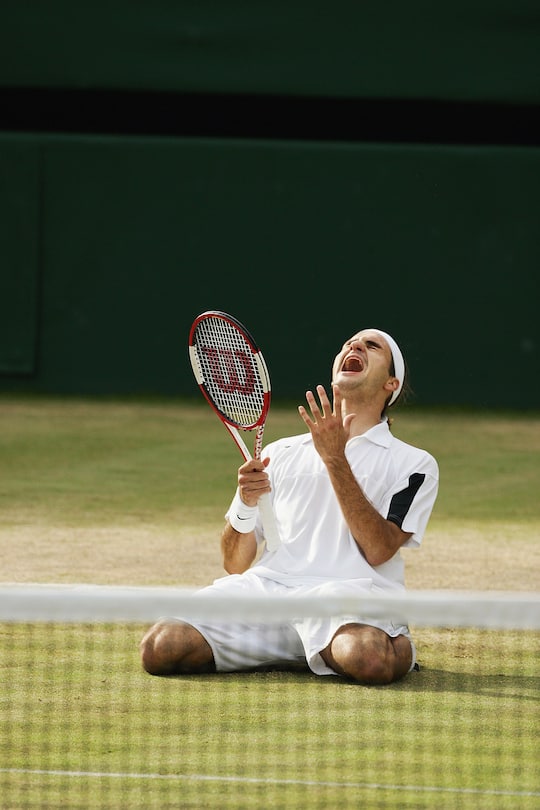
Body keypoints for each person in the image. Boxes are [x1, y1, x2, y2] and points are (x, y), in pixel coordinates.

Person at [140, 328, 439, 684]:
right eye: (348, 343)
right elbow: (234, 563)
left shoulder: (414, 464)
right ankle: (302, 650)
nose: (354, 346)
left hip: (348, 598)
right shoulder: (279, 453)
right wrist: (246, 505)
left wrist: (335, 459)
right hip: (269, 593)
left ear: (392, 384)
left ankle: (395, 644)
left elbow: (379, 550)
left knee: (369, 659)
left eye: (372, 346)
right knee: (160, 647)